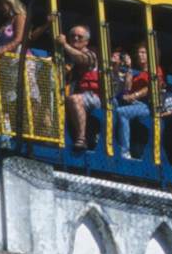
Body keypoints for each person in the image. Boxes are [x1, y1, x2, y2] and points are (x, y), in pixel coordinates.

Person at [56, 23, 101, 151]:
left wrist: (64, 45)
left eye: (79, 37)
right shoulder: (66, 57)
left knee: (74, 99)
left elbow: (82, 59)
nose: (75, 39)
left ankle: (81, 138)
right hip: (72, 92)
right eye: (72, 36)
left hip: (92, 96)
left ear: (86, 41)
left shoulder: (91, 54)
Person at [111, 47, 154, 159]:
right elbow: (127, 89)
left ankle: (124, 152)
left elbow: (152, 88)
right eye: (138, 53)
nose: (140, 55)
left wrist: (134, 95)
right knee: (114, 103)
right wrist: (129, 68)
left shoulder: (154, 70)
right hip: (133, 103)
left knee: (121, 113)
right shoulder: (136, 74)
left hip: (146, 106)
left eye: (143, 52)